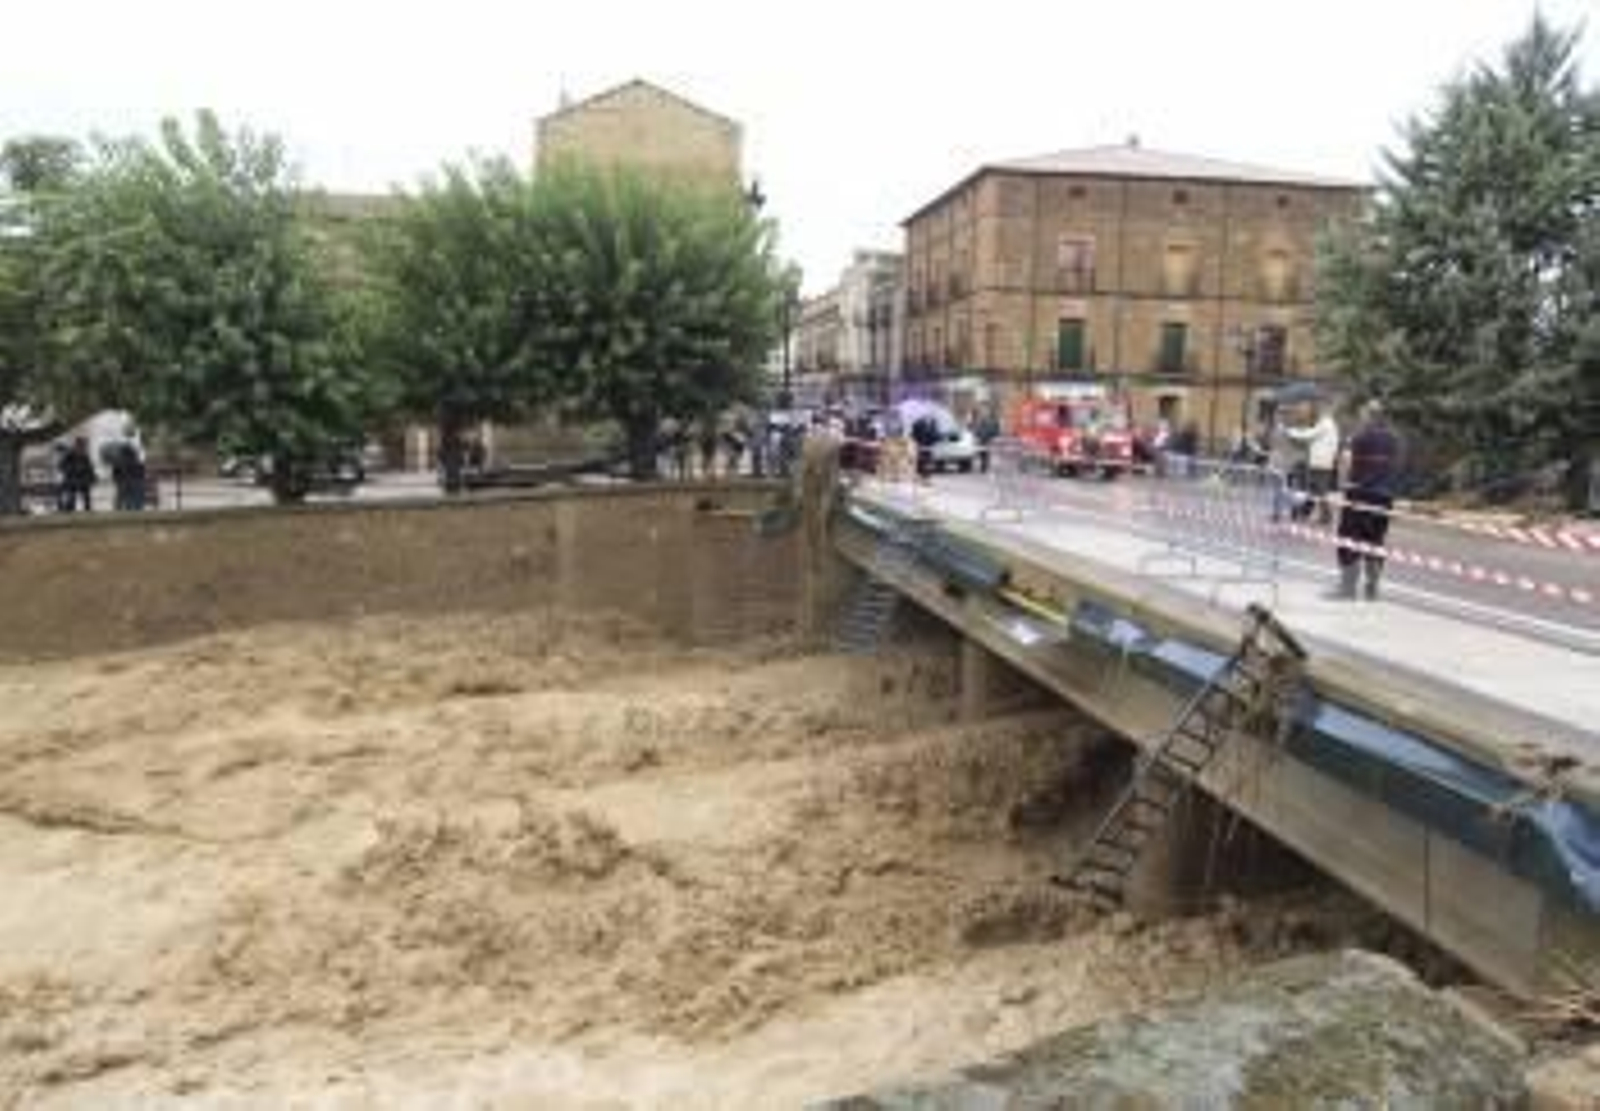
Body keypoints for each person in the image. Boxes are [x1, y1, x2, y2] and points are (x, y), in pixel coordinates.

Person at [1333, 400, 1403, 601]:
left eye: (1362, 414)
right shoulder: (1394, 439)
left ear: (1368, 416)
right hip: (1384, 496)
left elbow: (1345, 460)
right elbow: (1395, 467)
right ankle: (1372, 586)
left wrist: (1342, 486)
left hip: (1359, 493)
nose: (1360, 417)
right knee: (1376, 539)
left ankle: (1348, 587)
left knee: (1349, 538)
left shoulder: (1357, 437)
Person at [1285, 403, 1341, 525]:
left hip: (1321, 463)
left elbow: (1310, 435)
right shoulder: (1325, 424)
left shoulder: (1326, 424)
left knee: (1318, 491)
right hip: (1319, 462)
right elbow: (1311, 436)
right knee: (1314, 490)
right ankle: (1308, 513)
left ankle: (1323, 516)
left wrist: (1290, 432)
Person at [59, 437, 97, 512]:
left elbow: (89, 468)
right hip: (71, 479)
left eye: (83, 447)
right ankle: (69, 508)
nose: (82, 449)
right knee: (71, 494)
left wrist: (92, 477)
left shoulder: (84, 456)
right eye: (80, 446)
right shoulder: (69, 455)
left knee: (86, 493)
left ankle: (87, 509)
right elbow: (62, 466)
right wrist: (72, 469)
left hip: (82, 480)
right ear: (76, 446)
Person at [111, 442, 147, 511]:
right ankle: (135, 510)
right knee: (136, 500)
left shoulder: (119, 462)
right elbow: (141, 472)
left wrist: (118, 479)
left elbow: (115, 474)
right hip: (134, 482)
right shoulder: (136, 461)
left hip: (125, 483)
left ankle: (122, 509)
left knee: (125, 499)